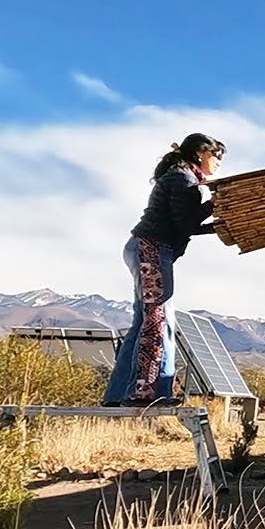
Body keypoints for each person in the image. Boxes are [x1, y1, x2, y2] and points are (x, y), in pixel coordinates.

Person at [103, 133, 225, 407]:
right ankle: (147, 394)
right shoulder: (183, 178)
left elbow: (183, 223)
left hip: (146, 247)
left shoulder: (183, 177)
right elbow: (185, 224)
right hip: (152, 248)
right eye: (216, 155)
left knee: (143, 322)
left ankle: (118, 396)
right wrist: (214, 206)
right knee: (158, 320)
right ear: (200, 153)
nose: (218, 162)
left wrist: (214, 220)